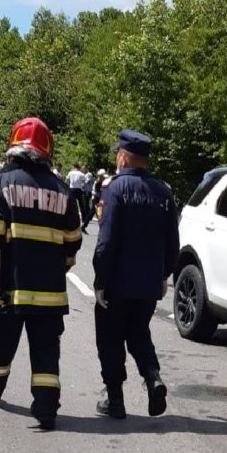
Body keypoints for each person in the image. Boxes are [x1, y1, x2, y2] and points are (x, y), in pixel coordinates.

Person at [0, 117, 82, 431]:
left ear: (15, 146)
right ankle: (46, 408)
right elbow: (73, 243)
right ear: (47, 151)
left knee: (1, 345)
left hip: (8, 288)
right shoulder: (63, 191)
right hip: (50, 293)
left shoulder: (1, 184)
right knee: (46, 353)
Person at [92, 129, 179, 419]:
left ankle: (114, 399)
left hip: (117, 285)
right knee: (139, 333)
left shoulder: (115, 189)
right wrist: (164, 275)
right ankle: (153, 376)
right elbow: (172, 243)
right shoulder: (164, 193)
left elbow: (105, 242)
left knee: (110, 339)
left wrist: (100, 281)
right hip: (148, 287)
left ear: (123, 157)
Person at [65, 163, 89, 234]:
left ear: (73, 167)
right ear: (78, 167)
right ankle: (84, 218)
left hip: (71, 189)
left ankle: (67, 215)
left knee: (69, 203)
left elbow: (66, 181)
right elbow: (84, 183)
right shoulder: (81, 174)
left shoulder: (70, 172)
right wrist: (83, 188)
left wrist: (67, 187)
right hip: (78, 190)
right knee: (81, 204)